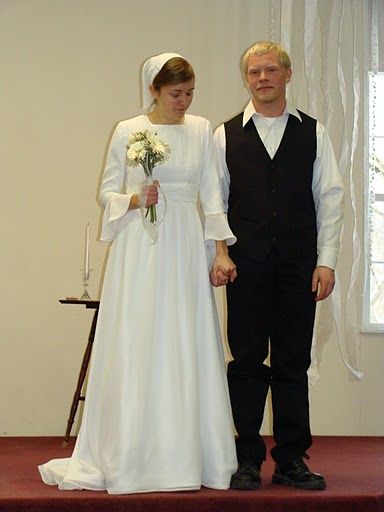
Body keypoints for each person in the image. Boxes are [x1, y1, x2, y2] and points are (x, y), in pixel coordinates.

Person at [39, 52, 238, 494]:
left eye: (189, 93)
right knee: (140, 334)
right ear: (154, 90)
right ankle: (133, 452)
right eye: (174, 94)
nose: (183, 102)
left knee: (185, 337)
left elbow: (212, 195)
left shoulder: (203, 130)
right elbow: (108, 191)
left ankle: (192, 454)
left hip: (185, 243)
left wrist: (219, 251)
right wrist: (135, 199)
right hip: (141, 248)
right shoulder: (129, 131)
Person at [214, 41, 344, 491]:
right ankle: (246, 457)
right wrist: (222, 252)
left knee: (292, 361)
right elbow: (215, 201)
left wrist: (326, 262)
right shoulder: (224, 134)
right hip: (245, 266)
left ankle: (291, 459)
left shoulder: (315, 132)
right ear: (246, 78)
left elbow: (330, 200)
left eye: (271, 70)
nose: (262, 78)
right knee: (246, 361)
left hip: (297, 267)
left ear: (287, 75)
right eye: (254, 72)